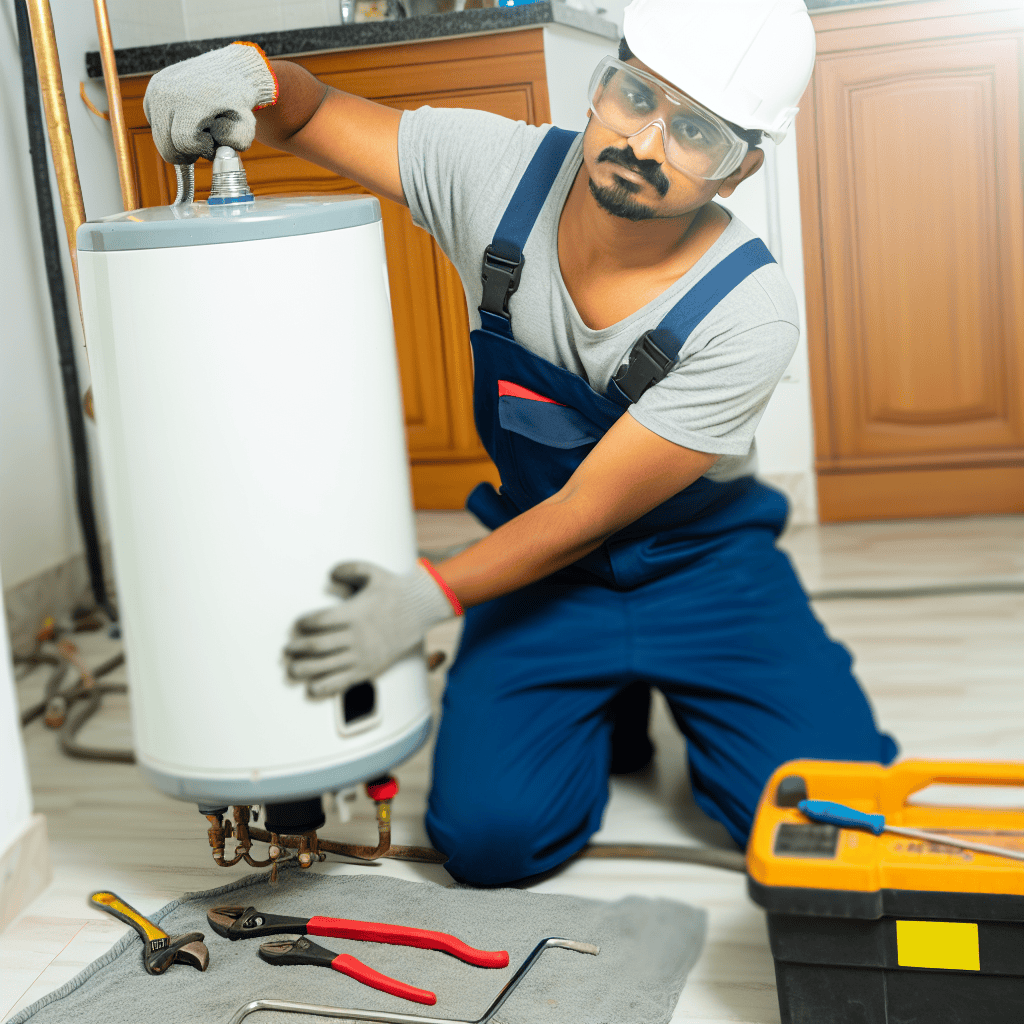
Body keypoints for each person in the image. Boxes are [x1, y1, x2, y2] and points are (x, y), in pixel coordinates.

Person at [144, 0, 897, 887]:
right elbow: (308, 114)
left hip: (705, 575)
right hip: (542, 574)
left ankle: (681, 702)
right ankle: (604, 708)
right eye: (636, 98)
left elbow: (587, 511)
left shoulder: (749, 312)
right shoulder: (494, 173)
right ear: (606, 81)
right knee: (492, 842)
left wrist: (420, 599)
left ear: (740, 169)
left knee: (833, 827)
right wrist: (254, 75)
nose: (646, 144)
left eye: (696, 133)